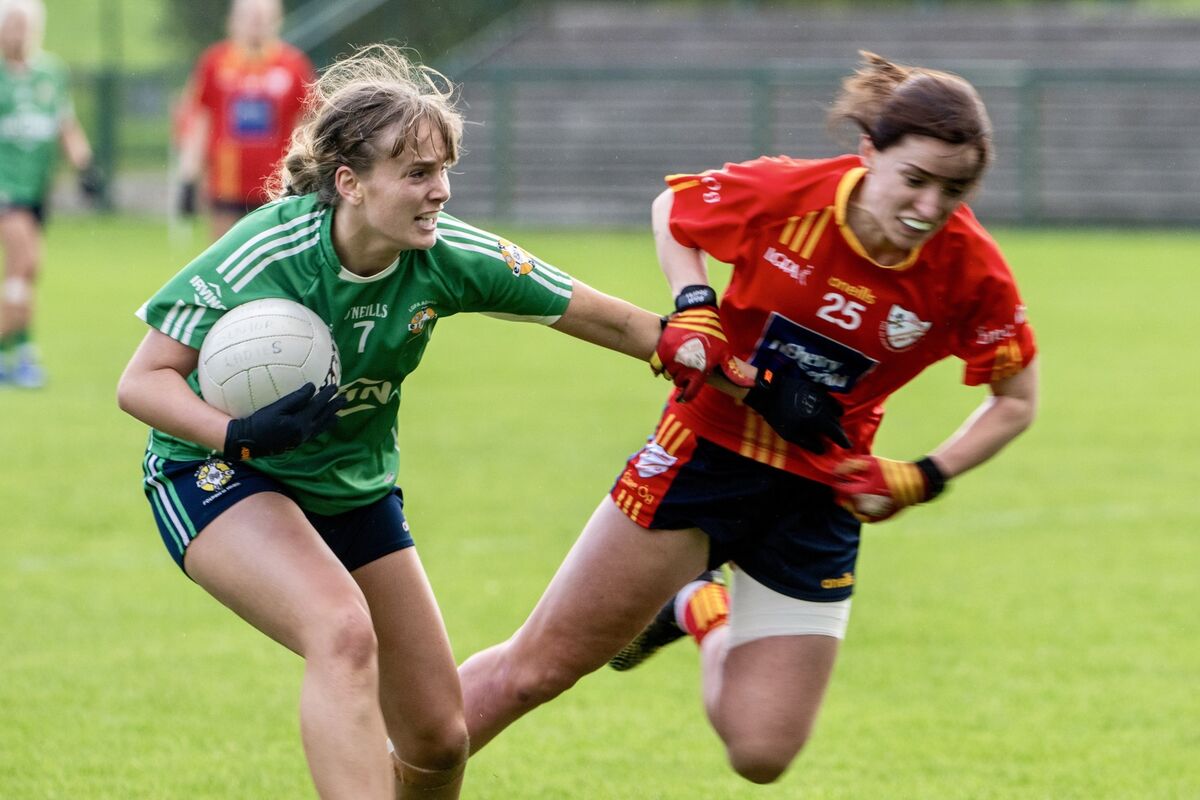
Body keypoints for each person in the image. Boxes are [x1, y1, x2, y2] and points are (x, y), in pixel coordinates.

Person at [116, 43, 826, 799]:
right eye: (418, 173)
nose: (441, 192)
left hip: (350, 485)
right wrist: (238, 434)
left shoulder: (447, 256)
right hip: (217, 472)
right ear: (351, 183)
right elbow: (143, 381)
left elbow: (624, 327)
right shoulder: (267, 249)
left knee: (439, 737)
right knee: (341, 631)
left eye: (445, 170)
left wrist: (752, 383)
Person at [457, 51, 1040, 785]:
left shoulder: (970, 272)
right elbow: (677, 209)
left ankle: (697, 607)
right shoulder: (792, 194)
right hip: (704, 455)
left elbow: (1015, 400)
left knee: (762, 753)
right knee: (533, 673)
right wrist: (696, 305)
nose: (928, 208)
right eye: (915, 180)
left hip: (820, 493)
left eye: (953, 191)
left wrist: (921, 476)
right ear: (869, 153)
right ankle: (375, 772)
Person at [0, 0, 102, 387]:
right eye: (11, 24)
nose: (18, 32)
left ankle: (16, 352)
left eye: (25, 25)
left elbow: (66, 125)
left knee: (25, 271)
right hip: (4, 188)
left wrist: (85, 166)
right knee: (23, 259)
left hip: (35, 188)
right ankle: (21, 354)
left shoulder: (51, 73)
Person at [175, 0, 314, 240]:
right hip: (226, 184)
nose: (256, 23)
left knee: (272, 260)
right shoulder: (215, 62)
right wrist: (188, 177)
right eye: (249, 16)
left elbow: (306, 125)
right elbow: (201, 122)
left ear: (277, 19)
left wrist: (305, 173)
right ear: (233, 21)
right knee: (224, 258)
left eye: (263, 17)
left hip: (276, 184)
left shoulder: (293, 66)